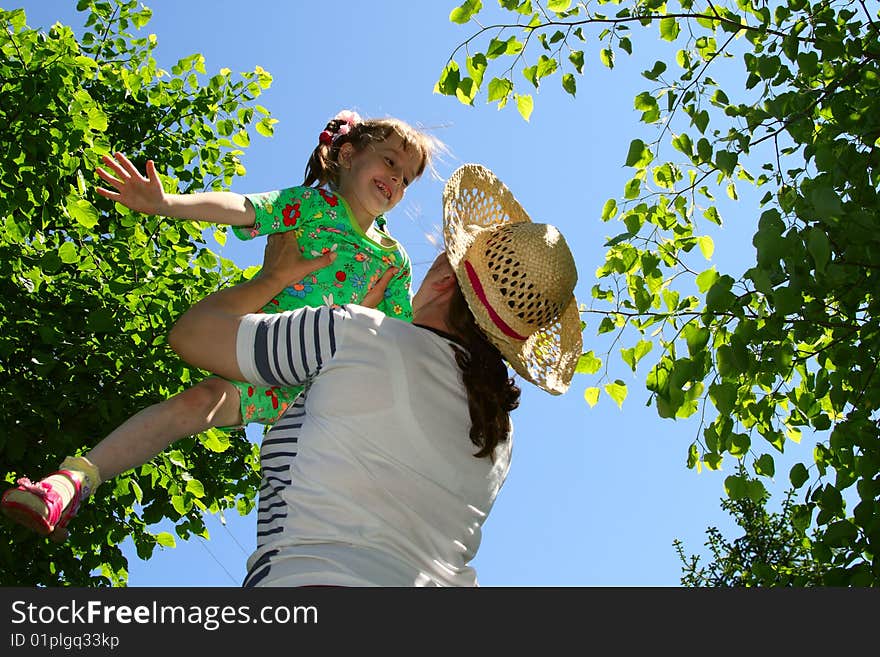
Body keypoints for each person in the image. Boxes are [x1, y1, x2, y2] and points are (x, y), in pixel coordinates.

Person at [1, 110, 439, 540]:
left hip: (331, 388)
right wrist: (166, 203)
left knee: (320, 496)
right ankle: (73, 482)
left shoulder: (393, 258)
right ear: (346, 156)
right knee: (197, 403)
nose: (396, 180)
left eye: (406, 178)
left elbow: (405, 336)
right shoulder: (312, 206)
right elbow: (243, 208)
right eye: (390, 162)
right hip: (275, 357)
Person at [167, 163, 583, 586]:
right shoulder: (501, 434)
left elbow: (192, 334)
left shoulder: (356, 334)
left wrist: (275, 277)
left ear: (443, 275)